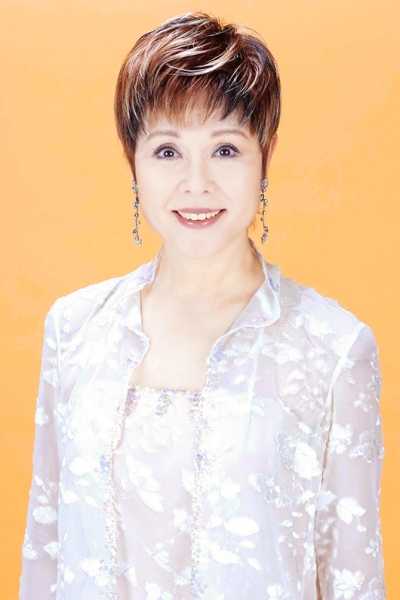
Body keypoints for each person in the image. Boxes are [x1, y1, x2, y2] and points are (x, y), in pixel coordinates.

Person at [19, 12, 385, 600]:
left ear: (264, 156)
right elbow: (46, 555)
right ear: (132, 161)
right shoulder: (75, 328)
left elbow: (352, 579)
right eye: (167, 151)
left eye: (225, 149)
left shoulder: (333, 349)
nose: (196, 183)